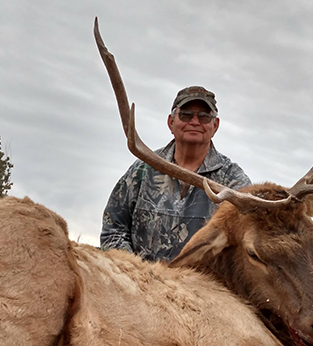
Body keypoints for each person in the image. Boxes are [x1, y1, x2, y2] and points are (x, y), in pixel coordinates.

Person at [100, 86, 251, 262]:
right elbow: (113, 230)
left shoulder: (234, 181)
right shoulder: (141, 170)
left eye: (204, 116)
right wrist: (137, 272)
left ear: (215, 126)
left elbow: (244, 242)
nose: (195, 121)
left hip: (200, 287)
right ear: (171, 122)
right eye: (186, 115)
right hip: (140, 283)